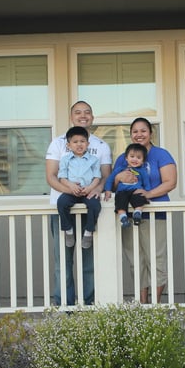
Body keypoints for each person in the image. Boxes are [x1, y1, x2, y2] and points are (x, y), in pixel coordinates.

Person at [45, 101, 112, 306]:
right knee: (62, 263)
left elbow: (105, 177)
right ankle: (66, 307)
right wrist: (71, 190)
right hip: (63, 207)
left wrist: (95, 189)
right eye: (78, 112)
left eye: (87, 112)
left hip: (89, 208)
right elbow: (51, 176)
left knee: (89, 261)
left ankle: (90, 305)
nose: (83, 116)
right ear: (71, 116)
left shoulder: (100, 146)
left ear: (92, 117)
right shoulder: (58, 143)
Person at [110, 117, 177, 303]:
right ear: (130, 134)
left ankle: (154, 304)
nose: (139, 135)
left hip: (155, 215)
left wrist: (147, 193)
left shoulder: (161, 155)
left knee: (156, 259)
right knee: (135, 260)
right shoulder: (124, 158)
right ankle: (142, 304)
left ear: (151, 133)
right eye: (135, 131)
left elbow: (170, 182)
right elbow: (114, 185)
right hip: (129, 216)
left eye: (143, 131)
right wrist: (117, 179)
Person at [57, 126, 102, 249]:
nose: (79, 145)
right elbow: (62, 177)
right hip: (72, 191)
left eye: (82, 141)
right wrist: (71, 186)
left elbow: (97, 177)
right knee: (61, 203)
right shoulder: (65, 160)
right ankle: (68, 230)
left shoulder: (94, 160)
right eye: (75, 142)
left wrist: (90, 188)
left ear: (87, 144)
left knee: (95, 205)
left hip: (87, 191)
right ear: (69, 145)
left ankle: (88, 231)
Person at [103, 143, 151, 228]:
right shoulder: (120, 169)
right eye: (132, 156)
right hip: (122, 191)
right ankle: (123, 218)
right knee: (120, 200)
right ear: (126, 158)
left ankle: (137, 213)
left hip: (135, 190)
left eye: (138, 157)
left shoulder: (142, 171)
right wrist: (108, 190)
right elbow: (110, 179)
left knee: (139, 198)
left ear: (143, 161)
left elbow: (146, 182)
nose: (135, 159)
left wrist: (147, 192)